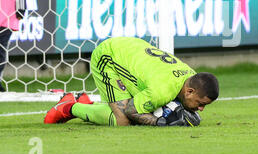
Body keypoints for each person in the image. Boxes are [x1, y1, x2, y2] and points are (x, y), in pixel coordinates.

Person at [44, 37, 219, 126]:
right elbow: (131, 110)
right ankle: (69, 106)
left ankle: (87, 102)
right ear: (189, 91)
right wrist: (160, 122)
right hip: (109, 57)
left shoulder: (191, 77)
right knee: (123, 120)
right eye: (201, 103)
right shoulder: (162, 90)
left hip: (131, 50)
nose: (201, 109)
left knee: (147, 106)